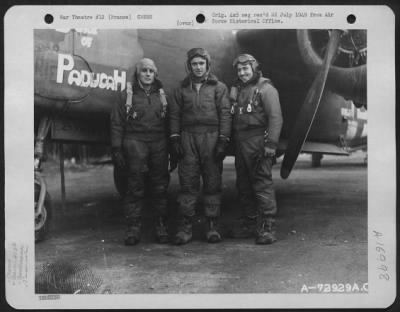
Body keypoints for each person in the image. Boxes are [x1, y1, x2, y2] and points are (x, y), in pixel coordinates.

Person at [169, 48, 232, 245]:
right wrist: (175, 139)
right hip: (188, 137)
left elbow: (225, 114)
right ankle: (185, 228)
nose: (198, 67)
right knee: (188, 183)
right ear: (189, 66)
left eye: (201, 64)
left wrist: (223, 140)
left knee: (212, 183)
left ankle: (212, 226)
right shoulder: (181, 89)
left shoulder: (219, 87)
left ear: (207, 65)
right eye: (194, 64)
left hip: (211, 137)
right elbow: (174, 116)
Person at [110, 58, 170, 245]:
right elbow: (117, 123)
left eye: (151, 71)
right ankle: (133, 229)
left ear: (155, 74)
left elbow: (169, 124)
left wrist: (173, 151)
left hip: (158, 143)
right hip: (135, 142)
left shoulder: (163, 95)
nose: (147, 74)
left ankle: (160, 226)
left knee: (160, 188)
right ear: (138, 73)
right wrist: (117, 149)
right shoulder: (125, 95)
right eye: (144, 70)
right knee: (134, 187)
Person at [228, 54, 283, 244]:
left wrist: (271, 145)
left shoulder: (266, 90)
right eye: (239, 70)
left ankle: (267, 227)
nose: (242, 73)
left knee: (262, 184)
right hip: (241, 143)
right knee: (243, 185)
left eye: (246, 69)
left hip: (258, 142)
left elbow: (276, 118)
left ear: (254, 69)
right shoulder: (239, 91)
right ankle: (249, 223)